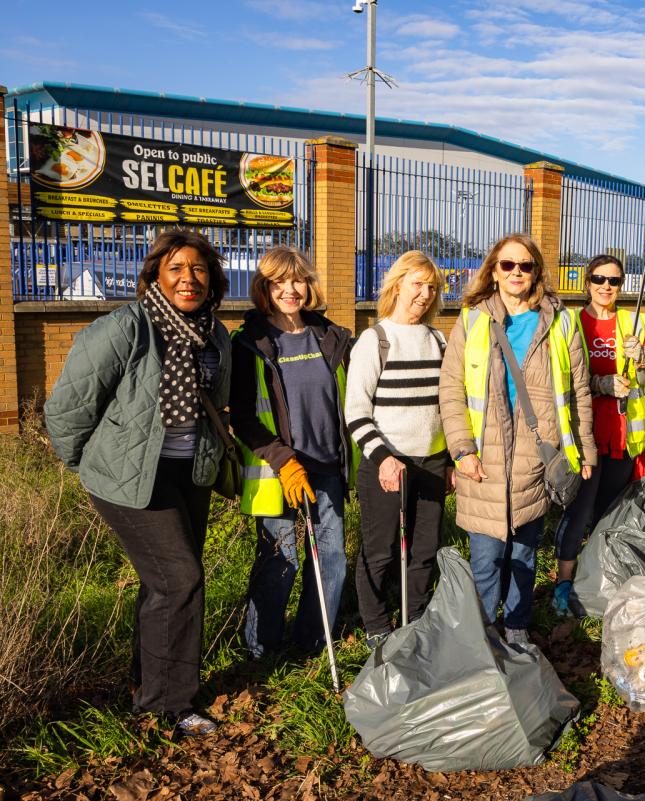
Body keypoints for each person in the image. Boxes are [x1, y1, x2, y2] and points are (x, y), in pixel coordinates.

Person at [44, 229, 232, 736]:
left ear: (212, 277)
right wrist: (86, 465)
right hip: (127, 477)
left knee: (163, 585)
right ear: (154, 276)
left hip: (187, 472)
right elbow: (67, 408)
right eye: (176, 269)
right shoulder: (125, 328)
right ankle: (169, 705)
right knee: (181, 578)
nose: (188, 279)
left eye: (198, 269)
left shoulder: (214, 333)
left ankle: (145, 682)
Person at [438, 234, 596, 646]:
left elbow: (578, 390)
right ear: (493, 270)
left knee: (524, 553)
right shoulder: (472, 319)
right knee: (487, 558)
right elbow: (451, 389)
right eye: (507, 265)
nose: (516, 273)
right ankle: (484, 631)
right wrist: (461, 450)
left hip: (537, 454)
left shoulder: (560, 321)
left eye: (525, 266)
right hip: (483, 456)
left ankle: (517, 626)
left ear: (536, 272)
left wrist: (585, 450)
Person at [229, 246, 352, 659]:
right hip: (277, 470)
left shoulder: (330, 336)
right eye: (278, 282)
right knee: (282, 561)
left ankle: (313, 643)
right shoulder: (250, 343)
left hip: (327, 466)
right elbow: (244, 418)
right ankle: (261, 650)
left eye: (297, 280)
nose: (290, 289)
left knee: (332, 557)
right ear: (263, 289)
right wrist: (284, 461)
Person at [346, 251, 451, 649]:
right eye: (416, 284)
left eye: (431, 287)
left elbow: (447, 406)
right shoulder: (376, 340)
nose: (424, 294)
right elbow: (355, 412)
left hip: (432, 462)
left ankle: (416, 618)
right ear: (397, 285)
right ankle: (375, 626)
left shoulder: (438, 340)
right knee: (380, 551)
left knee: (425, 550)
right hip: (385, 464)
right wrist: (384, 458)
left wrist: (452, 459)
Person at [551, 255, 645, 616]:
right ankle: (563, 583)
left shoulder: (633, 321)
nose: (606, 286)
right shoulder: (573, 323)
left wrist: (640, 360)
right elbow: (564, 378)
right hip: (585, 435)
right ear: (587, 282)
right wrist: (601, 383)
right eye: (599, 278)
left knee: (610, 514)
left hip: (622, 436)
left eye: (614, 280)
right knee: (579, 510)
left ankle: (598, 577)